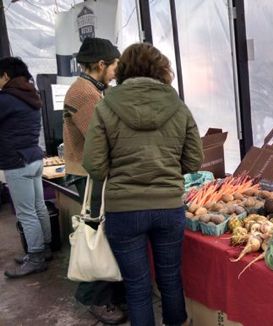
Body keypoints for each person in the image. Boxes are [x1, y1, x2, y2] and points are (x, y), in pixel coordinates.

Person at [83, 43, 203, 326]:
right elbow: (194, 160)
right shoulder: (178, 106)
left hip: (123, 211)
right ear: (161, 69)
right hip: (168, 207)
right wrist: (166, 169)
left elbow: (94, 165)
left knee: (137, 287)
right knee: (170, 278)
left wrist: (123, 170)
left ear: (123, 69)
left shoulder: (105, 106)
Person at [62, 37, 126, 325]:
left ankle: (110, 292)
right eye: (114, 66)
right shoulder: (85, 93)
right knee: (96, 234)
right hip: (89, 175)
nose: (116, 72)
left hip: (93, 172)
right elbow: (99, 139)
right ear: (101, 65)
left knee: (102, 231)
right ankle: (95, 298)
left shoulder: (92, 89)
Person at [0, 57, 52, 278]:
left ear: (5, 75)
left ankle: (36, 257)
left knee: (26, 212)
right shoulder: (31, 95)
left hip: (17, 161)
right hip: (34, 158)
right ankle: (45, 247)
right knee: (38, 206)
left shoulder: (6, 99)